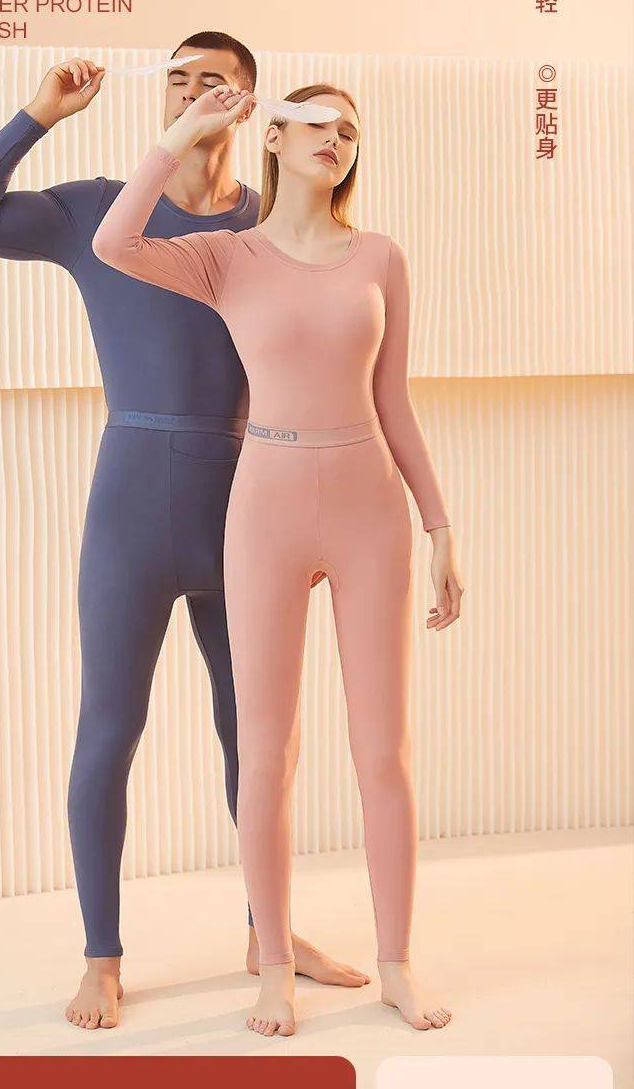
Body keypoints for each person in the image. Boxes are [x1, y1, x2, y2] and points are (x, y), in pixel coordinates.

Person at [0, 36, 369, 1030]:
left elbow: (327, 370)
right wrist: (40, 115)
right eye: (178, 77)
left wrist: (316, 520)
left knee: (259, 735)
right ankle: (102, 956)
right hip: (130, 503)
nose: (193, 90)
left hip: (250, 504)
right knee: (109, 729)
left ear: (250, 105)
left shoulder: (272, 228)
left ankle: (268, 934)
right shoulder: (100, 209)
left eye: (215, 80)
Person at [92, 81, 465, 1036]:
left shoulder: (380, 257)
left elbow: (394, 399)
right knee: (266, 751)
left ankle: (397, 965)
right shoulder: (227, 256)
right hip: (264, 508)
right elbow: (113, 243)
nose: (336, 139)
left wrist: (439, 526)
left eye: (351, 130)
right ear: (276, 138)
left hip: (371, 509)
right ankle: (272, 967)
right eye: (318, 124)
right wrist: (182, 133)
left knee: (383, 751)